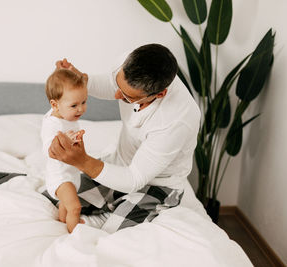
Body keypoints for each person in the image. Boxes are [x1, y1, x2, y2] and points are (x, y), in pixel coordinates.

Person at [47, 43, 201, 233]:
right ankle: (112, 206)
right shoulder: (130, 62)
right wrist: (81, 80)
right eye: (118, 85)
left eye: (127, 97)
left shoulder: (178, 120)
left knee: (114, 234)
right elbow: (110, 85)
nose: (117, 94)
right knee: (57, 197)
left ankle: (106, 218)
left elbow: (134, 179)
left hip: (157, 186)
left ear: (159, 94)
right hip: (119, 165)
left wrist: (83, 161)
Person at [41, 68, 87, 233]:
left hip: (70, 172)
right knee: (75, 207)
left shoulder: (68, 115)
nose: (80, 109)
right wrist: (64, 141)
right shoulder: (53, 124)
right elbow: (49, 148)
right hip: (59, 176)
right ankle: (74, 233)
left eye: (83, 102)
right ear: (55, 105)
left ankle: (63, 220)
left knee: (65, 206)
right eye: (74, 105)